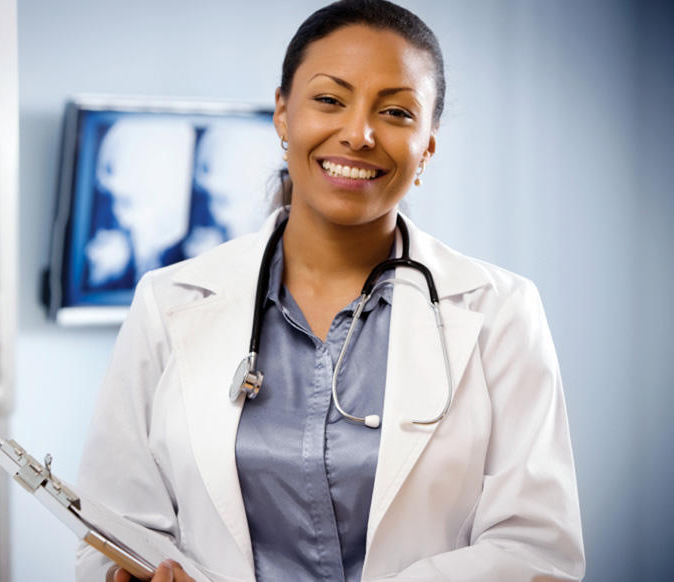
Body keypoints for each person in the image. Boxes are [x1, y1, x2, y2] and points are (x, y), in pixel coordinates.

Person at [76, 1, 586, 581]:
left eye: (395, 111)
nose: (359, 134)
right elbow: (112, 532)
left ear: (428, 148)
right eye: (329, 100)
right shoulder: (169, 302)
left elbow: (538, 550)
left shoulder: (500, 313)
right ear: (282, 114)